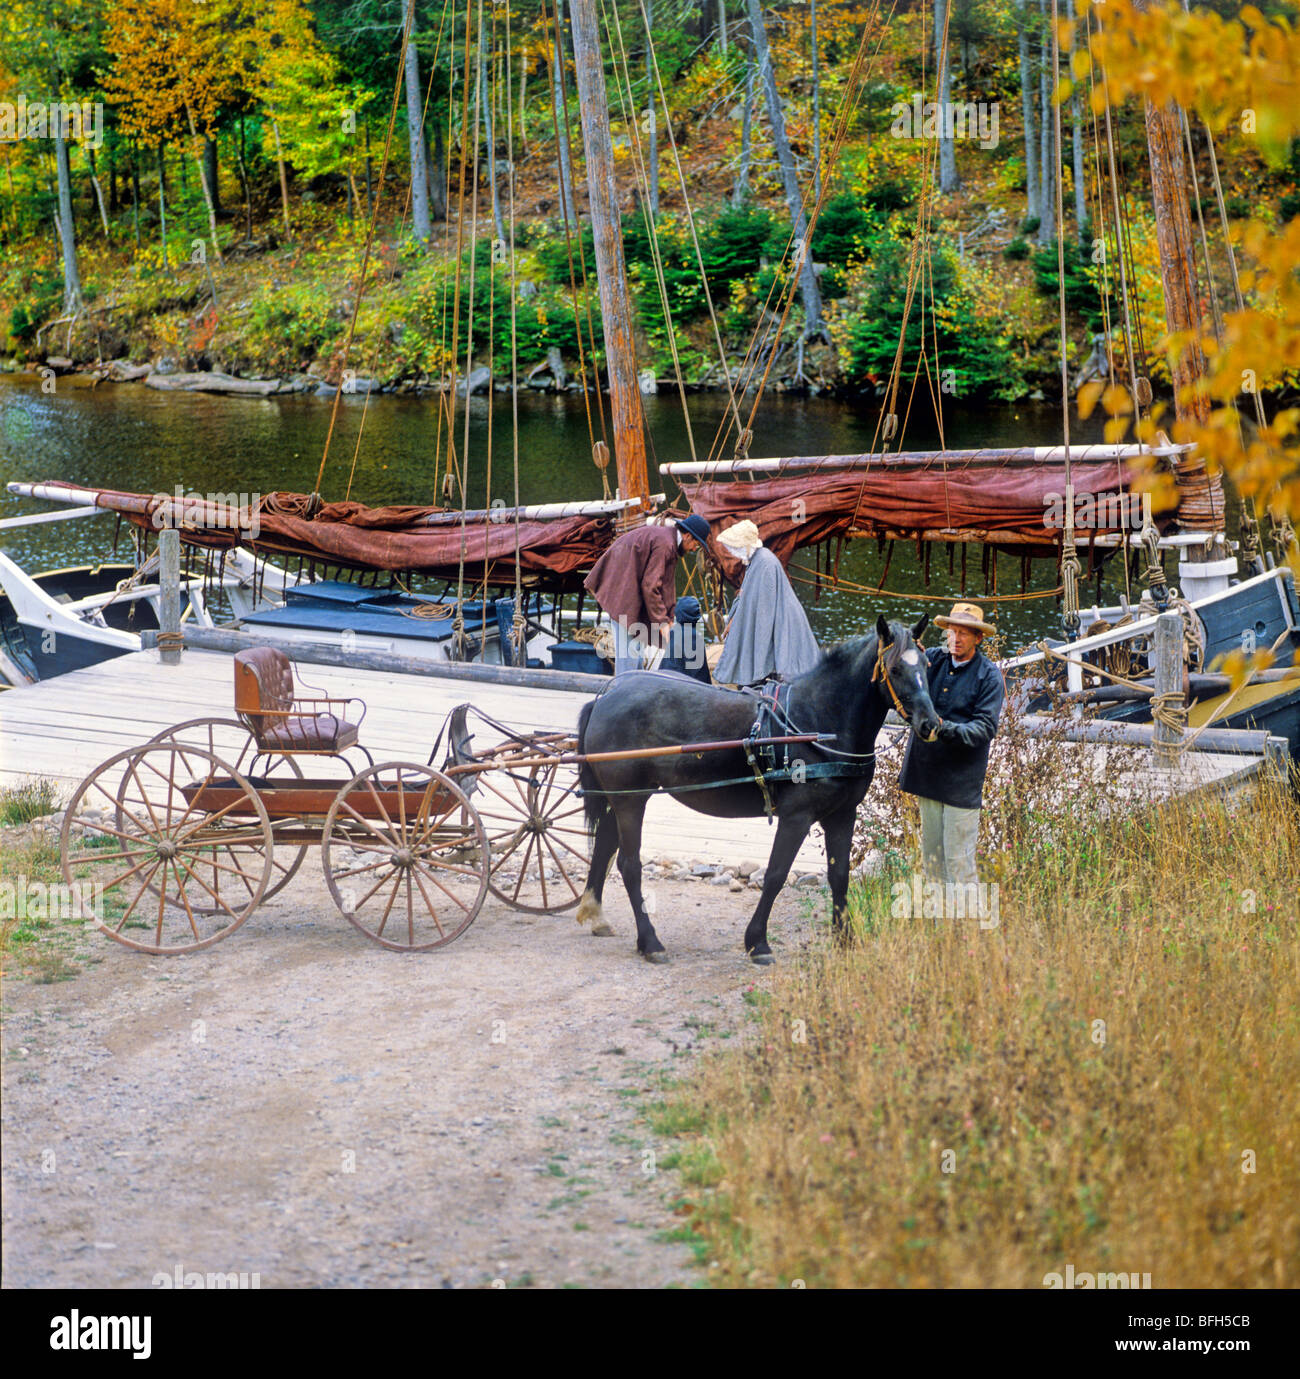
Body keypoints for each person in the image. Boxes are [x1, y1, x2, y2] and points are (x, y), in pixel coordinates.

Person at [898, 601, 1005, 889]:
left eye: (964, 634)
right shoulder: (932, 659)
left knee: (959, 865)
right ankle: (940, 932)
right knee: (932, 861)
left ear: (978, 638)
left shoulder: (989, 675)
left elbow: (984, 729)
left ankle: (966, 932)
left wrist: (943, 728)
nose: (955, 640)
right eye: (952, 632)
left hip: (961, 782)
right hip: (927, 774)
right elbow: (906, 677)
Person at [583, 514, 711, 674]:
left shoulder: (668, 541)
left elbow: (666, 584)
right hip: (621, 595)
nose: (694, 549)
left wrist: (669, 617)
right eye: (696, 545)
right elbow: (651, 586)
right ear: (687, 536)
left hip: (628, 593)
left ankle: (633, 692)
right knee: (628, 657)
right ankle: (625, 694)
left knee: (634, 653)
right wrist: (663, 623)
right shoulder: (666, 544)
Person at [712, 519, 821, 687]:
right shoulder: (756, 560)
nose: (733, 551)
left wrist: (759, 661)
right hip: (779, 619)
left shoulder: (765, 562)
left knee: (782, 668)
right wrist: (735, 618)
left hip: (785, 623)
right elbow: (748, 595)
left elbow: (765, 613)